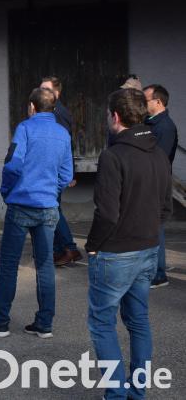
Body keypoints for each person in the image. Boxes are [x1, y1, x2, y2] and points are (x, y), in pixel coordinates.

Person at [86, 88, 171, 400]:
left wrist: (92, 246)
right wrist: (147, 233)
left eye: (109, 114)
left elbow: (107, 214)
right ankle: (136, 393)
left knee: (102, 324)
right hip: (147, 250)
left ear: (116, 116)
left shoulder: (113, 155)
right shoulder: (159, 153)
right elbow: (166, 208)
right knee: (138, 322)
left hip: (115, 254)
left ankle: (117, 395)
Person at [0, 87, 72, 338]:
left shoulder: (26, 128)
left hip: (22, 204)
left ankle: (0, 321)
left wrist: (6, 191)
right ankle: (44, 323)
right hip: (48, 206)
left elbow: (13, 165)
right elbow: (67, 175)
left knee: (8, 265)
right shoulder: (63, 133)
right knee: (45, 265)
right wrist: (50, 191)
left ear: (33, 106)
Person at [40, 77, 83, 267]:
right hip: (50, 170)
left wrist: (69, 172)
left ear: (56, 94)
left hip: (54, 171)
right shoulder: (51, 111)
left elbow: (65, 144)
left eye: (45, 89)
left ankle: (69, 248)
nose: (40, 92)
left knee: (53, 210)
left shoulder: (59, 113)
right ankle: (59, 250)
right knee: (53, 209)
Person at [144, 84, 178, 288]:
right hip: (149, 181)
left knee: (156, 227)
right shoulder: (150, 123)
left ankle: (159, 273)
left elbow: (161, 159)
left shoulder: (165, 127)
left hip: (156, 183)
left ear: (158, 102)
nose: (142, 103)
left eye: (146, 99)